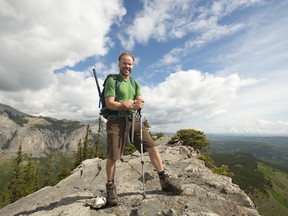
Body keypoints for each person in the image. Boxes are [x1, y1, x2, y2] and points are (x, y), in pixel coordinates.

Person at [104, 52, 181, 205]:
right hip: (116, 120)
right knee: (113, 156)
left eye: (130, 64)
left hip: (134, 119)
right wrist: (123, 104)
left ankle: (164, 178)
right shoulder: (112, 80)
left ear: (133, 66)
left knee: (152, 146)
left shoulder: (134, 83)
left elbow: (139, 100)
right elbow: (109, 103)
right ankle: (110, 187)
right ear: (119, 64)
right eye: (125, 63)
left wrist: (137, 103)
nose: (127, 66)